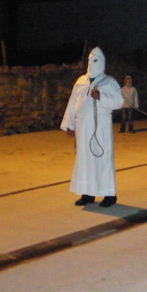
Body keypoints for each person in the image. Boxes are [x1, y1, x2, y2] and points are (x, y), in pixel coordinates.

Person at [61, 47, 125, 207]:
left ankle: (109, 195)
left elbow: (119, 102)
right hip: (83, 127)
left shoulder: (109, 82)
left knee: (102, 159)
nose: (92, 63)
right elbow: (72, 103)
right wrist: (70, 125)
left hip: (100, 127)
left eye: (95, 60)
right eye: (90, 60)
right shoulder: (81, 81)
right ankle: (87, 193)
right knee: (84, 160)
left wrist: (101, 96)